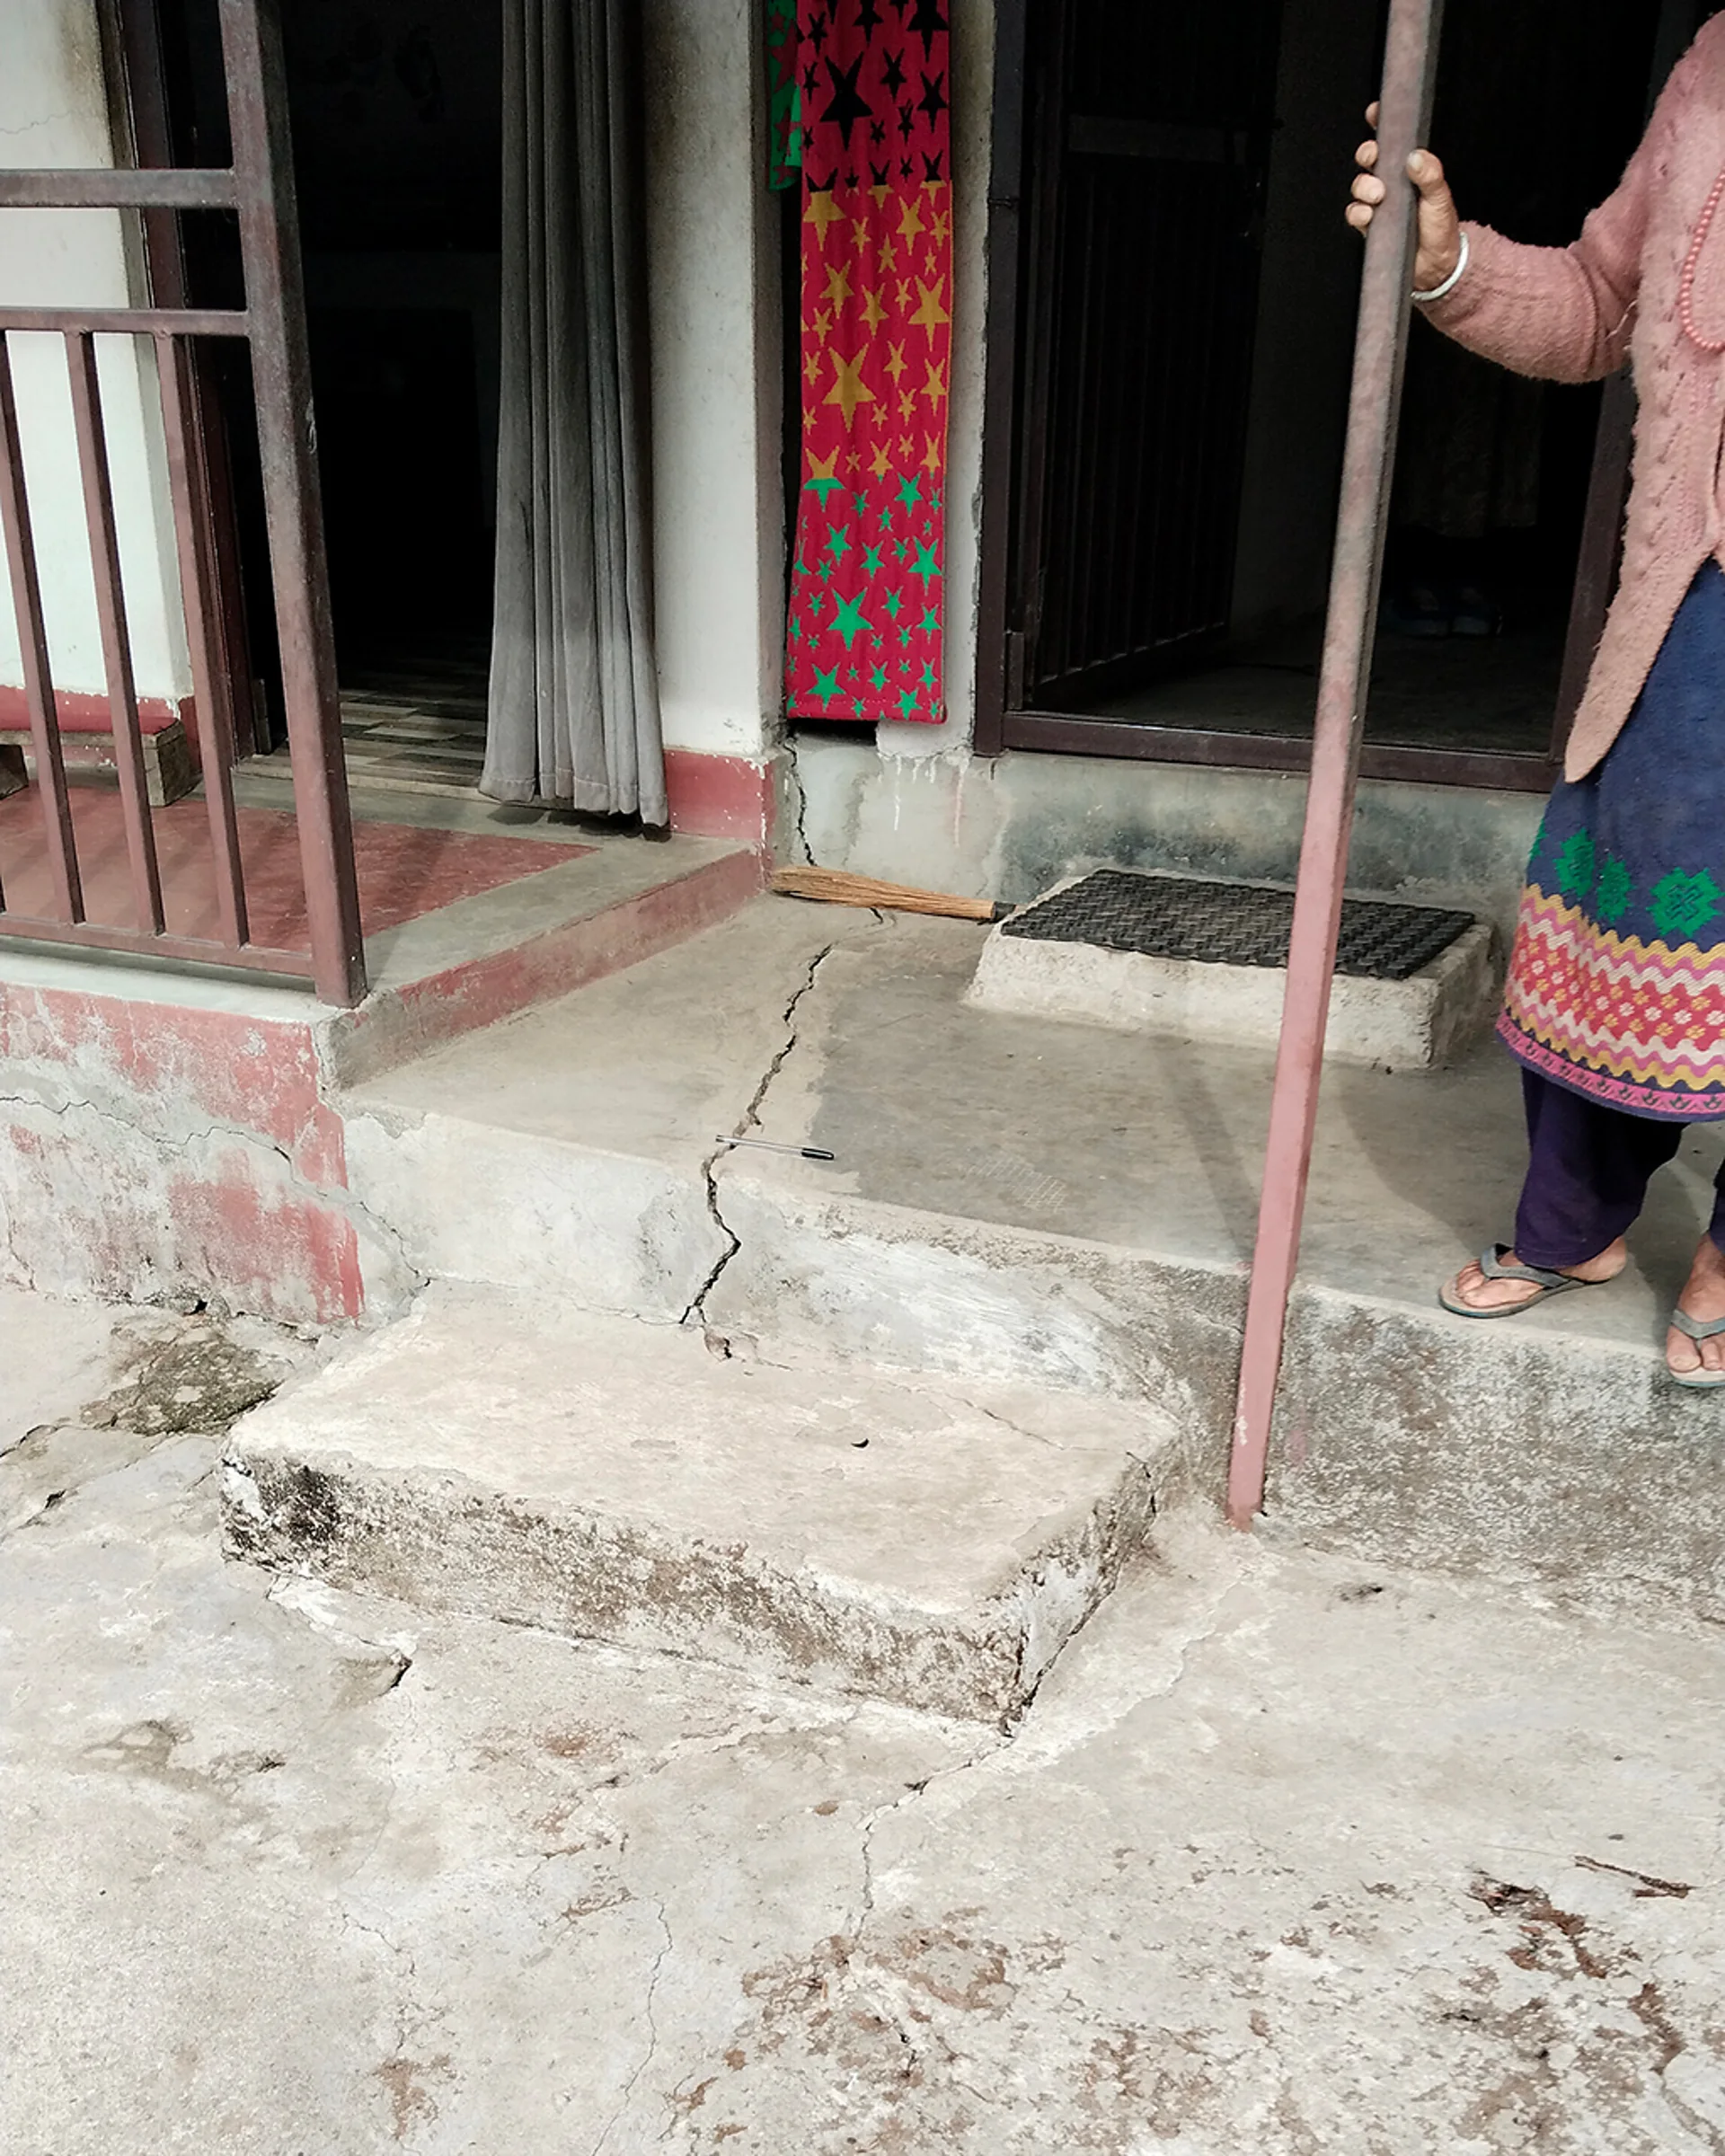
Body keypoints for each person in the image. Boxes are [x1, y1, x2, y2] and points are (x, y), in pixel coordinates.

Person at [1348, 15, 1725, 1386]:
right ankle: (1576, 1226)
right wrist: (1449, 261)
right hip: (1691, 612)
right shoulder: (1714, 66)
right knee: (1621, 918)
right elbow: (1602, 306)